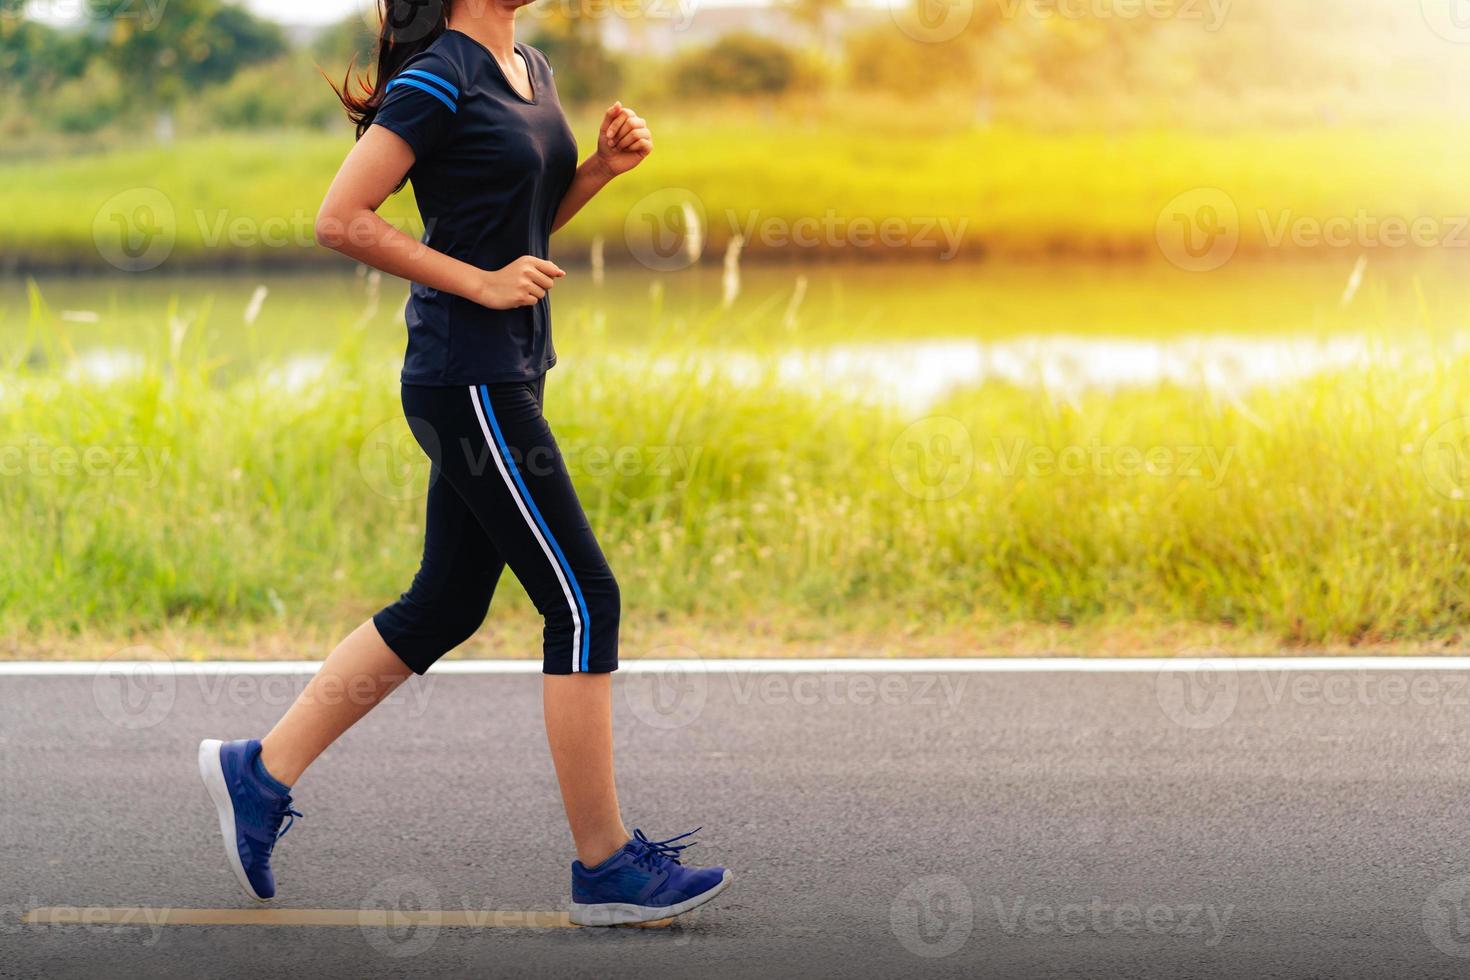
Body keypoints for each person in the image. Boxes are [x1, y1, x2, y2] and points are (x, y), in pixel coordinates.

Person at [196, 0, 731, 928]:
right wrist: (480, 285)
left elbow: (514, 218)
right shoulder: (439, 73)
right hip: (467, 377)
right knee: (581, 600)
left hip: (510, 368)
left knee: (445, 602)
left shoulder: (530, 64)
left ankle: (259, 772)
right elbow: (340, 218)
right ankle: (604, 869)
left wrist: (600, 170)